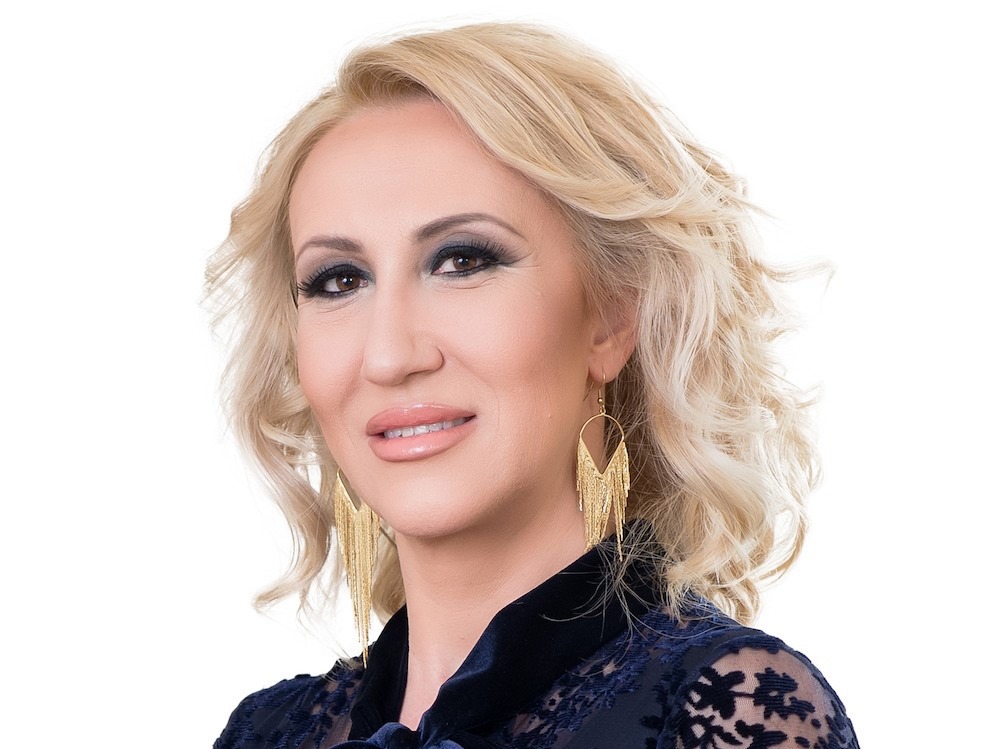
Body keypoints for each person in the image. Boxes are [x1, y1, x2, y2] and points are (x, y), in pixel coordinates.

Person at [207, 22, 859, 749]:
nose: (388, 356)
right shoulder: (266, 732)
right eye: (339, 280)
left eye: (462, 261)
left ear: (611, 317)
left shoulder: (729, 705)